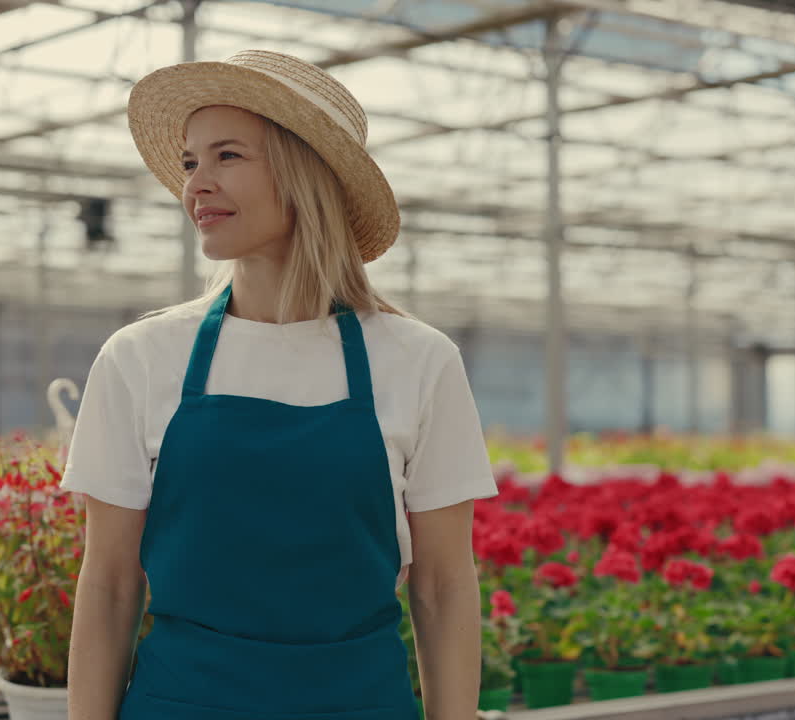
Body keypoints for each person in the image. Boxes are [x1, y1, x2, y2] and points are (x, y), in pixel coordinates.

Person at [60, 50, 498, 720]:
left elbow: (442, 584)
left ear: (303, 173)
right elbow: (112, 583)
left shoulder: (419, 361)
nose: (195, 185)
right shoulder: (140, 358)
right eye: (189, 162)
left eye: (227, 156)